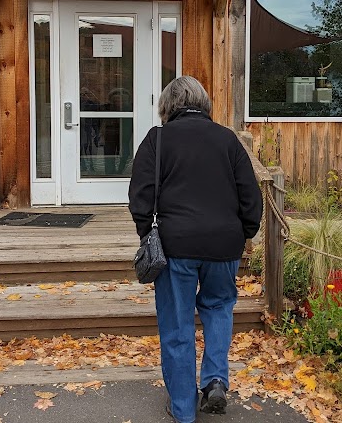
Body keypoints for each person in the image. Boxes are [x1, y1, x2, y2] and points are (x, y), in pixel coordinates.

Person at [128, 76, 263, 423]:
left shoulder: (157, 140)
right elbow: (251, 196)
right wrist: (244, 234)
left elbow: (139, 196)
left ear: (167, 106)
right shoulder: (227, 140)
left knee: (177, 325)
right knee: (219, 308)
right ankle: (216, 379)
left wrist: (149, 234)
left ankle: (184, 410)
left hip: (175, 246)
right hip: (224, 245)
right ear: (203, 103)